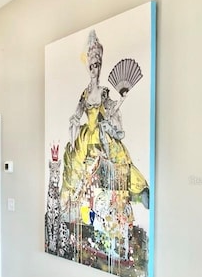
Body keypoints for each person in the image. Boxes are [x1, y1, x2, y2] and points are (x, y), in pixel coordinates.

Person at [60, 30, 149, 219]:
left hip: (101, 133)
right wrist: (74, 121)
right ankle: (71, 203)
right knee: (75, 164)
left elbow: (110, 108)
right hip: (87, 135)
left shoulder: (104, 92)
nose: (95, 69)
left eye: (98, 65)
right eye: (92, 65)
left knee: (119, 158)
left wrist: (120, 100)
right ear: (88, 67)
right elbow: (77, 113)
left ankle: (139, 191)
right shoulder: (85, 94)